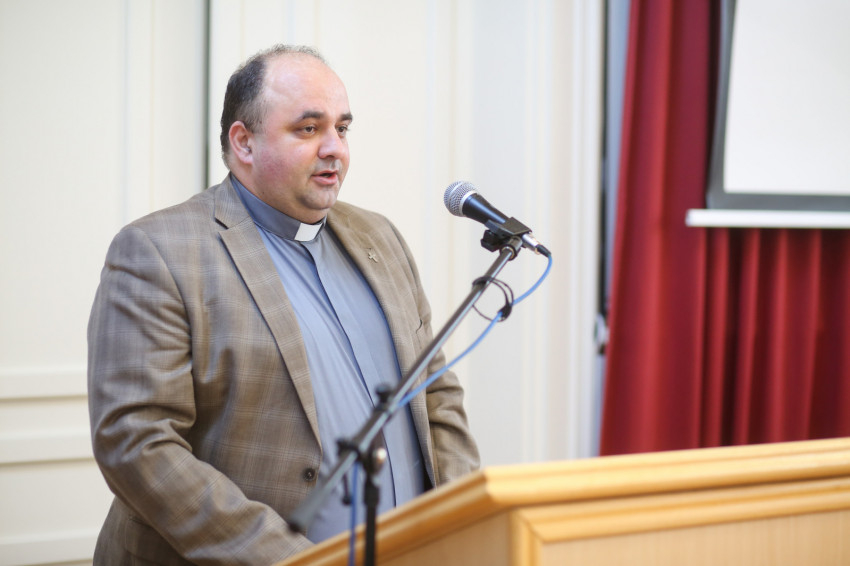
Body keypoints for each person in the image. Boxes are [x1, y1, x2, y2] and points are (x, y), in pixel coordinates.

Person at [87, 44, 479, 565]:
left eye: (342, 128)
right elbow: (137, 443)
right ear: (243, 142)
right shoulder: (159, 251)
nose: (335, 149)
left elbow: (436, 392)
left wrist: (462, 524)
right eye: (308, 129)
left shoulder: (379, 237)